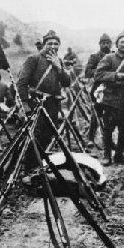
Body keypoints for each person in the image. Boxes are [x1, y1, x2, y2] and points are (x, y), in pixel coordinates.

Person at [17, 29, 71, 172]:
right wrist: (24, 104)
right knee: (35, 135)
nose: (53, 46)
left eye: (56, 44)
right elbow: (21, 82)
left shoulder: (59, 61)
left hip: (52, 103)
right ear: (44, 44)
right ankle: (29, 167)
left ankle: (39, 165)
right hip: (36, 102)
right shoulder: (33, 59)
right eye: (50, 43)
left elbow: (66, 83)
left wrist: (59, 68)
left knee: (48, 134)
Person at [94, 30, 124, 166]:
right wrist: (120, 76)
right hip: (110, 100)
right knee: (108, 129)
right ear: (117, 43)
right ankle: (107, 155)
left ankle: (119, 155)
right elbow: (99, 75)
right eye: (122, 42)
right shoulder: (109, 58)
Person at [83, 33, 113, 148]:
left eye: (107, 43)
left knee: (109, 117)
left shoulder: (114, 56)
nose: (105, 45)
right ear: (100, 44)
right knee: (96, 115)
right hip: (98, 90)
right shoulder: (94, 57)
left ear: (111, 44)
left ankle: (108, 141)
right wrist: (104, 74)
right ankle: (90, 138)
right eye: (103, 43)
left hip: (111, 90)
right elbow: (88, 72)